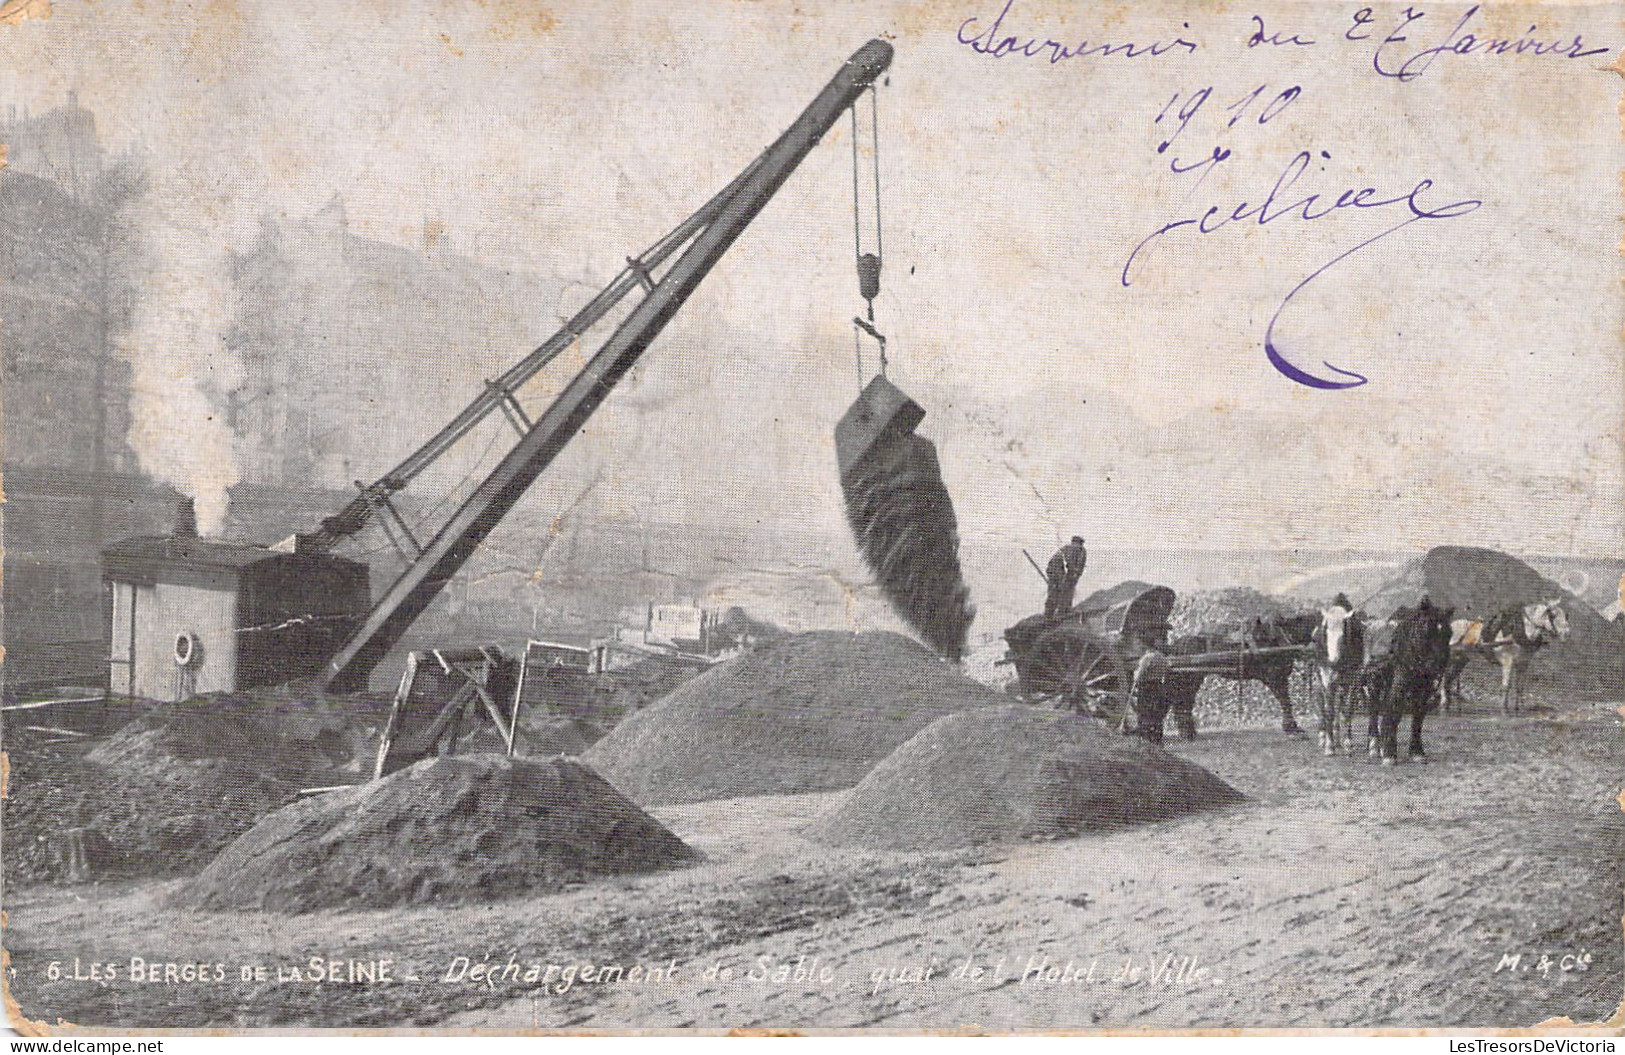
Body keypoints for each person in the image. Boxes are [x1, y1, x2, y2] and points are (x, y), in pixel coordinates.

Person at [1044, 536, 1088, 618]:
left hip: (1052, 570)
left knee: (1054, 592)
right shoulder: (1081, 550)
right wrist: (1075, 573)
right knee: (1067, 590)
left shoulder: (1064, 548)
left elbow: (1054, 562)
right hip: (1062, 570)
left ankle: (1049, 614)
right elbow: (1077, 565)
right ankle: (1063, 611)